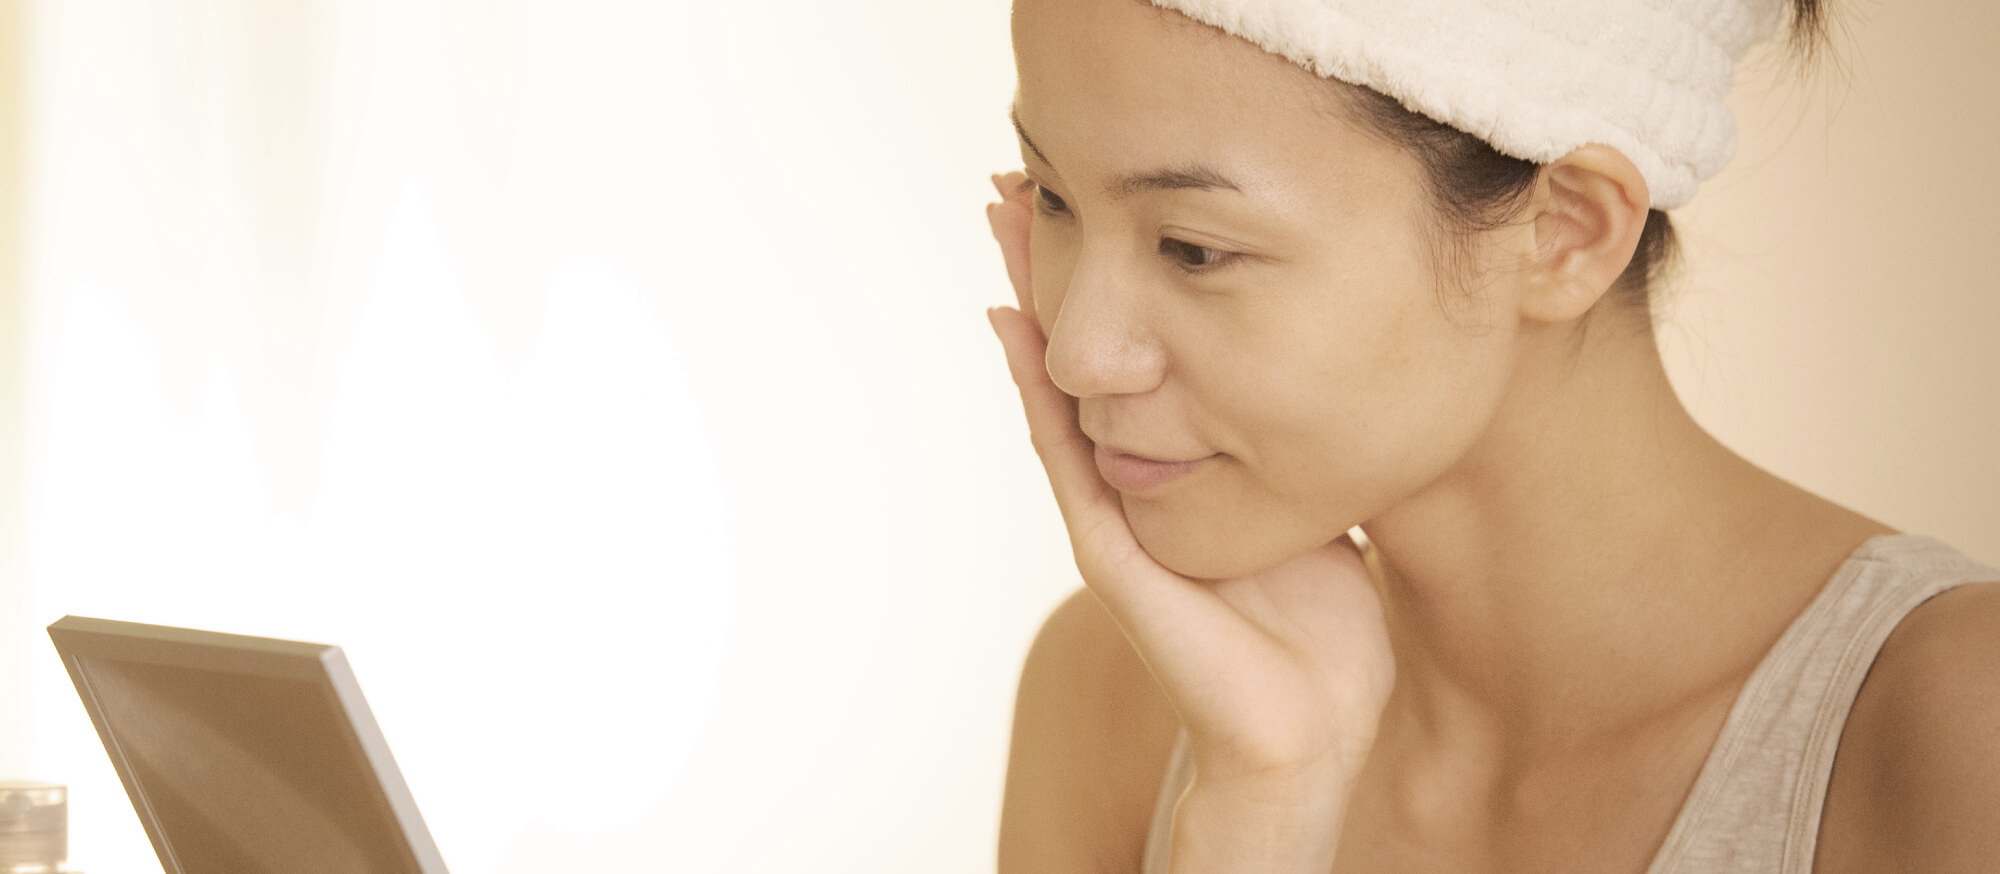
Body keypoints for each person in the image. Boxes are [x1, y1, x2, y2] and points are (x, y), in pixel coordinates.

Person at [981, 0, 2000, 872]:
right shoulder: (1126, 694)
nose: (1077, 353)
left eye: (1193, 249)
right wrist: (1266, 809)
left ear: (1564, 233)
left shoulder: (1952, 724)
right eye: (1053, 196)